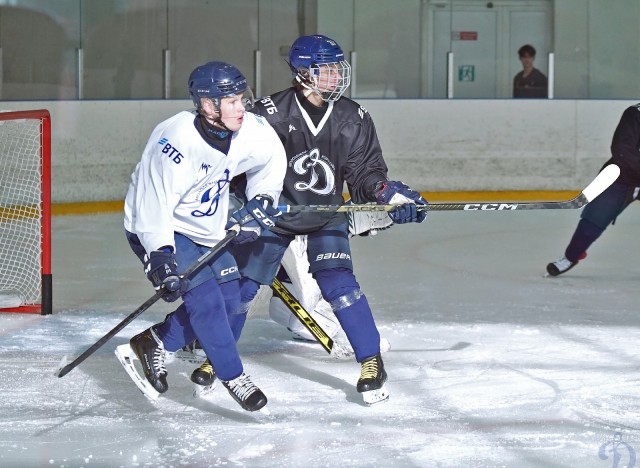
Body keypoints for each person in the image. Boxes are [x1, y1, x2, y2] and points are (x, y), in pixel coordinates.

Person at [191, 34, 428, 406]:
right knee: (242, 291)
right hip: (274, 215)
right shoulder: (269, 115)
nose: (336, 75)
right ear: (303, 74)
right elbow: (236, 169)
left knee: (340, 285)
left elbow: (366, 173)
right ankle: (216, 357)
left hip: (324, 214)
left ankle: (371, 362)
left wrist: (387, 194)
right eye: (327, 69)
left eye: (337, 67)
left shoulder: (353, 117)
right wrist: (239, 205)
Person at [116, 61, 287, 412]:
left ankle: (157, 341)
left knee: (230, 298)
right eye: (232, 101)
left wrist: (262, 200)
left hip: (206, 229)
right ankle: (234, 376)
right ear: (208, 105)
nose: (242, 107)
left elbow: (272, 160)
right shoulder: (175, 141)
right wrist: (160, 259)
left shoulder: (250, 130)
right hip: (160, 227)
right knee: (206, 303)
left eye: (242, 97)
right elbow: (153, 204)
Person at [546, 103, 638, 276]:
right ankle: (570, 257)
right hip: (621, 177)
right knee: (593, 221)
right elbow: (623, 151)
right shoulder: (635, 114)